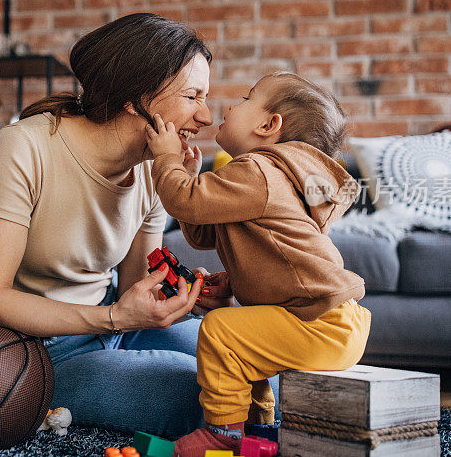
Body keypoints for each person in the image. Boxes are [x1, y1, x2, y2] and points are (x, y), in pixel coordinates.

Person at [0, 13, 234, 438]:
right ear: (134, 98)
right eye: (193, 96)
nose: (204, 116)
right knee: (203, 397)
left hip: (117, 325)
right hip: (39, 351)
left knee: (256, 377)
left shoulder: (152, 169)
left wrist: (182, 294)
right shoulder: (24, 146)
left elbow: (133, 285)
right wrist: (113, 317)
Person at [144, 71, 372, 457]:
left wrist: (168, 159)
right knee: (246, 350)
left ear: (268, 125)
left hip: (320, 322)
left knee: (220, 331)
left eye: (247, 99)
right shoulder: (264, 177)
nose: (231, 106)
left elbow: (185, 202)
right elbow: (203, 233)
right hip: (328, 320)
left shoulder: (259, 171)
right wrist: (235, 279)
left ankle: (223, 436)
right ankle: (259, 429)